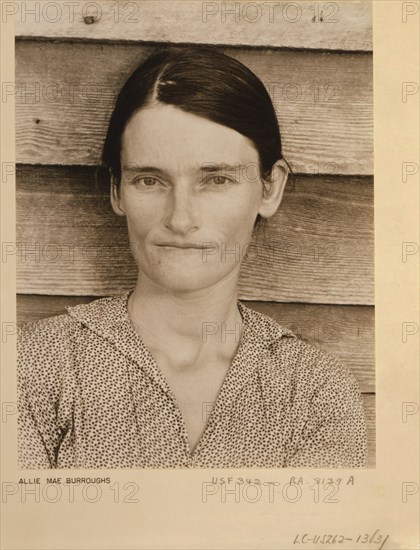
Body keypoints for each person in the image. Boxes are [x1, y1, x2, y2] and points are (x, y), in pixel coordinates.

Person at [17, 47, 368, 469]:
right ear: (117, 190)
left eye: (216, 179)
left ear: (270, 188)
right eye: (149, 179)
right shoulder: (32, 366)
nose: (180, 219)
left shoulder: (313, 391)